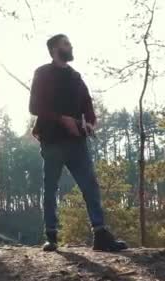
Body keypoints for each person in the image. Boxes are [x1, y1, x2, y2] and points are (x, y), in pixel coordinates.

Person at [29, 34, 128, 252]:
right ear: (55, 49)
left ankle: (101, 234)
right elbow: (34, 107)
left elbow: (87, 104)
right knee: (50, 188)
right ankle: (51, 237)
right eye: (66, 44)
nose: (71, 46)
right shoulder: (42, 73)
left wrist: (91, 123)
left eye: (70, 44)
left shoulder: (76, 77)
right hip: (52, 140)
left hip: (77, 142)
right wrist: (62, 119)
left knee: (90, 186)